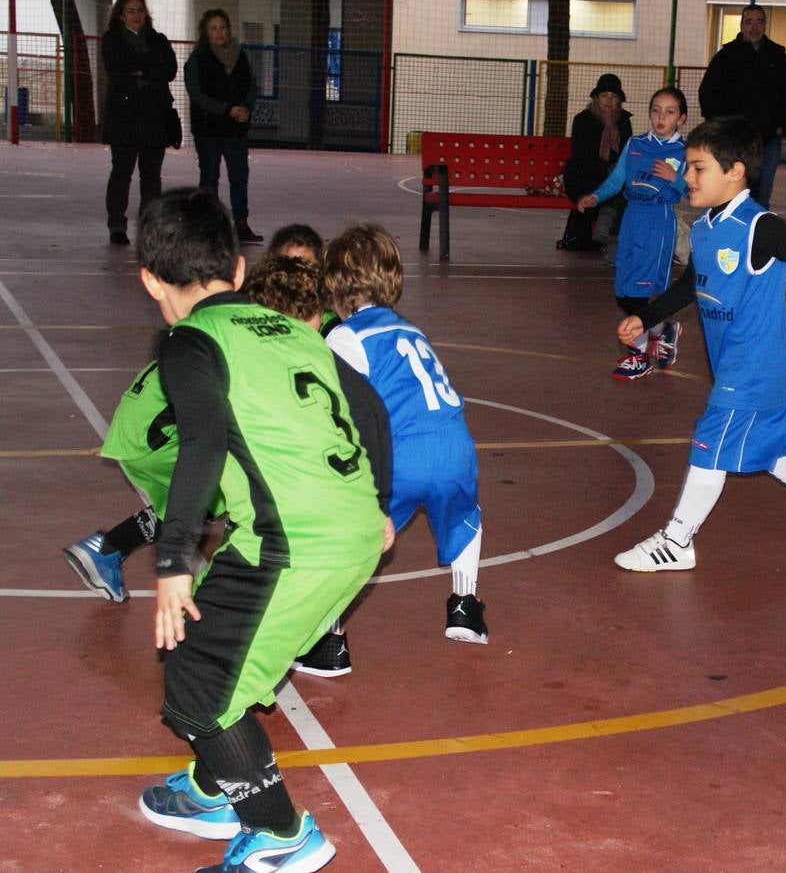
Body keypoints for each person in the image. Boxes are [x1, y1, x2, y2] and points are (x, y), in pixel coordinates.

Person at [133, 189, 391, 872]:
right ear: (241, 271)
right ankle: (219, 788)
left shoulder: (189, 342)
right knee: (224, 656)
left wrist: (171, 562)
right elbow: (368, 407)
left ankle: (281, 834)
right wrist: (380, 506)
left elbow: (201, 446)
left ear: (151, 279)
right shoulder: (294, 328)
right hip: (346, 529)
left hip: (292, 541)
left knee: (195, 683)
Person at [63, 225, 380, 679]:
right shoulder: (276, 324)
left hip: (141, 427)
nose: (303, 277)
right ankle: (229, 622)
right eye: (297, 266)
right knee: (239, 490)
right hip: (155, 435)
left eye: (310, 267)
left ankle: (109, 549)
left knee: (218, 495)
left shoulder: (238, 318)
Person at [612, 116, 786, 572]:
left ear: (734, 172)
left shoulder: (759, 226)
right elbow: (692, 283)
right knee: (773, 447)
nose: (686, 178)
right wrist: (645, 317)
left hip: (757, 362)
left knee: (710, 444)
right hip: (734, 361)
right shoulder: (708, 227)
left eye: (697, 168)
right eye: (687, 168)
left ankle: (677, 541)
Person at [323, 223, 489, 644]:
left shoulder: (345, 336)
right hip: (455, 445)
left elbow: (341, 412)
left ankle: (328, 639)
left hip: (399, 455)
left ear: (337, 286)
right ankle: (465, 608)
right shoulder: (412, 330)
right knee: (464, 517)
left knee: (355, 537)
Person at [576, 87, 689, 381]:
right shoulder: (636, 144)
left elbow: (695, 190)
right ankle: (661, 330)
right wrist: (596, 197)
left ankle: (639, 356)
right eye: (656, 110)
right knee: (623, 290)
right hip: (632, 218)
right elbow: (617, 180)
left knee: (639, 291)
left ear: (682, 118)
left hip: (658, 221)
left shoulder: (685, 152)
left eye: (670, 111)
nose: (661, 117)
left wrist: (675, 178)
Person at [698, 4, 786, 209]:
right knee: (732, 192)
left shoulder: (777, 56)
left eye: (759, 22)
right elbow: (708, 92)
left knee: (762, 195)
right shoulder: (726, 56)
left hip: (768, 139)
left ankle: (756, 236)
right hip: (734, 139)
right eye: (749, 22)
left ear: (765, 25)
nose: (754, 27)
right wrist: (718, 126)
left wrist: (782, 126)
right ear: (741, 25)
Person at [101, 0, 177, 246]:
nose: (137, 15)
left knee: (152, 175)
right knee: (122, 172)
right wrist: (149, 67)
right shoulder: (111, 39)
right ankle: (116, 225)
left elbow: (170, 70)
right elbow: (118, 66)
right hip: (123, 118)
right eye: (131, 10)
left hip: (154, 116)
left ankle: (149, 227)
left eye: (140, 10)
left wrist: (141, 69)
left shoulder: (159, 40)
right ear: (121, 14)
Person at [185, 9, 262, 244]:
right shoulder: (197, 59)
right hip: (208, 128)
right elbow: (197, 94)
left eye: (223, 27)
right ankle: (210, 228)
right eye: (213, 28)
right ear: (205, 33)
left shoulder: (241, 56)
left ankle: (241, 223)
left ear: (229, 30)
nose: (219, 32)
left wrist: (246, 107)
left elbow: (251, 84)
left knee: (239, 175)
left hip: (236, 128)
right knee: (210, 177)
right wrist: (226, 109)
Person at [560, 73, 633, 252]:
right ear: (596, 97)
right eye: (604, 95)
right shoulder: (582, 120)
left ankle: (609, 233)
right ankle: (592, 233)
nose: (609, 100)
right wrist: (609, 169)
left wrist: (615, 172)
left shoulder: (624, 121)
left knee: (622, 186)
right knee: (607, 186)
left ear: (619, 101)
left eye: (614, 96)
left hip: (612, 176)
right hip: (582, 174)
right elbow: (580, 157)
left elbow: (627, 154)